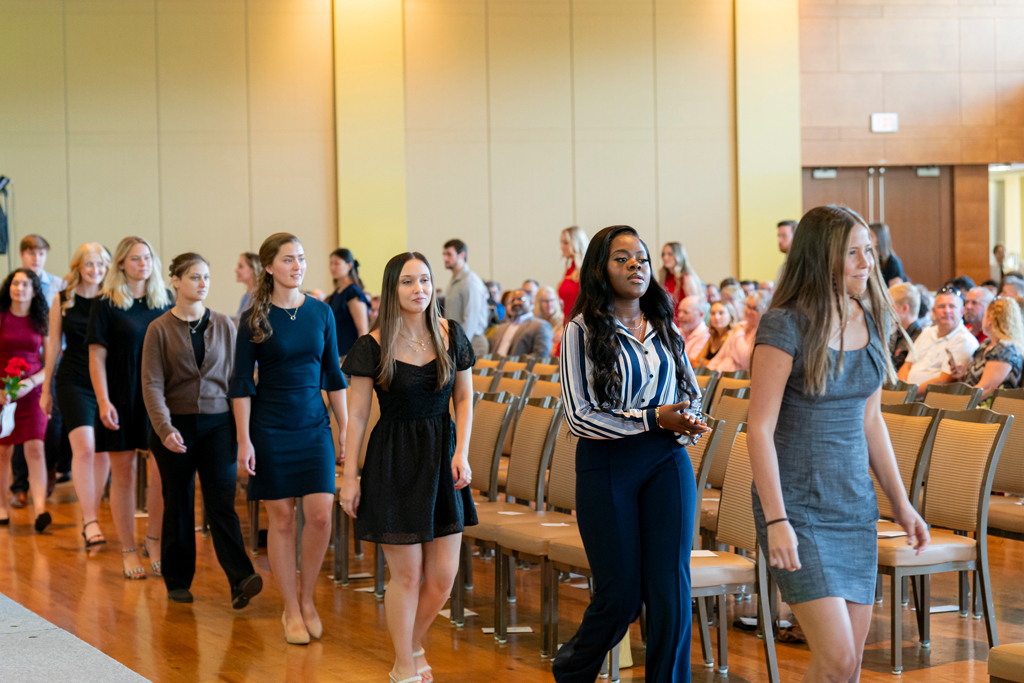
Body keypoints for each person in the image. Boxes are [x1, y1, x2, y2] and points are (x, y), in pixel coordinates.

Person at [748, 205, 929, 683]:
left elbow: (872, 421)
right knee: (836, 661)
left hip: (854, 508)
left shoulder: (874, 318)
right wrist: (777, 519)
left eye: (868, 250)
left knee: (846, 669)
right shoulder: (786, 325)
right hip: (798, 509)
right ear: (820, 257)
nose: (866, 262)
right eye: (852, 253)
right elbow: (759, 428)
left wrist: (902, 504)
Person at [556, 224, 708, 683]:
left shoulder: (665, 325)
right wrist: (651, 418)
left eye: (640, 258)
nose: (635, 265)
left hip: (666, 459)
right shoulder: (579, 332)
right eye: (621, 258)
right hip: (608, 464)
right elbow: (579, 416)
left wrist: (687, 421)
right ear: (600, 268)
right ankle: (573, 670)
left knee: (670, 590)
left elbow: (691, 392)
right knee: (620, 594)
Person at [340, 251, 476, 683]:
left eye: (424, 281)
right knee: (407, 573)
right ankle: (403, 663)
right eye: (408, 282)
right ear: (391, 290)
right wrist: (349, 477)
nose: (419, 289)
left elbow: (465, 399)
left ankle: (412, 643)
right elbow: (357, 416)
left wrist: (463, 452)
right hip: (392, 459)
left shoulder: (450, 334)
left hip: (443, 456)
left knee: (442, 578)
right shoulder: (371, 346)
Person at [230, 233, 348, 645]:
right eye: (287, 260)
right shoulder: (254, 318)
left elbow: (333, 375)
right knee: (280, 519)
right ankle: (291, 609)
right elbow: (241, 384)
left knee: (319, 514)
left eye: (300, 258)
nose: (297, 266)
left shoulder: (321, 312)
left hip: (314, 425)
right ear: (268, 266)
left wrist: (345, 427)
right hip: (270, 426)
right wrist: (244, 440)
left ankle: (307, 596)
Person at [142, 253, 263, 607]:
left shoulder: (227, 324)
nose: (202, 283)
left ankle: (241, 580)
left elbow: (237, 381)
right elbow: (151, 384)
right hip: (174, 426)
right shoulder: (159, 329)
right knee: (178, 501)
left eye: (206, 277)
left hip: (217, 425)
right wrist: (164, 428)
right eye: (194, 277)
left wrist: (243, 434)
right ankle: (177, 579)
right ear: (175, 281)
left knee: (221, 502)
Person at [88, 236, 172, 579]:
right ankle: (127, 548)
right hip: (119, 395)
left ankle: (154, 540)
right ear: (121, 263)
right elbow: (96, 356)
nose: (144, 264)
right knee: (123, 475)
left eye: (148, 258)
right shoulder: (105, 304)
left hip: (156, 398)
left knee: (159, 473)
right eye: (136, 259)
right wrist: (103, 399)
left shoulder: (164, 301)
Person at [40, 243, 111, 547]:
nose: (95, 271)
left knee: (103, 451)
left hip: (107, 382)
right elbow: (54, 346)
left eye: (101, 265)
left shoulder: (113, 300)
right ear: (79, 267)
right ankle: (91, 518)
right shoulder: (63, 299)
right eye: (90, 265)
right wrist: (46, 389)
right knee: (83, 447)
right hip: (73, 380)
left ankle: (90, 512)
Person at [10, 234, 67, 509]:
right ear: (23, 255)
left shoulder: (58, 285)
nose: (36, 258)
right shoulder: (13, 284)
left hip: (51, 363)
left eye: (41, 253)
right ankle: (20, 485)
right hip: (16, 367)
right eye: (31, 253)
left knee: (51, 422)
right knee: (15, 429)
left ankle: (48, 472)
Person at [0, 269, 52, 532]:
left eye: (25, 284)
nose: (19, 288)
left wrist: (32, 383)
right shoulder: (1, 317)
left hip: (32, 391)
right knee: (3, 451)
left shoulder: (41, 319)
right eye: (15, 283)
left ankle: (40, 509)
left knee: (35, 447)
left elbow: (52, 360)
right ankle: (1, 508)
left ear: (34, 290)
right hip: (2, 392)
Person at [898, 287, 979, 399]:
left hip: (930, 403)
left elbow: (944, 380)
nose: (946, 311)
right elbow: (907, 366)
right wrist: (899, 391)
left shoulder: (965, 340)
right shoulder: (926, 333)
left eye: (952, 306)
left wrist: (907, 394)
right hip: (907, 397)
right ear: (934, 311)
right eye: (941, 306)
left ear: (961, 312)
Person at [957, 297, 1024, 404]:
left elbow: (985, 390)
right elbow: (970, 381)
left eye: (984, 315)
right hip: (972, 404)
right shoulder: (986, 344)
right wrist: (960, 375)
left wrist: (955, 402)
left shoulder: (1005, 350)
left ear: (990, 319)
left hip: (991, 411)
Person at [441, 239, 490, 358]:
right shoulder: (454, 281)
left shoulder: (470, 280)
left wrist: (460, 345)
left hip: (471, 341)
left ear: (462, 255)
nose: (445, 258)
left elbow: (471, 317)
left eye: (449, 254)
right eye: (444, 254)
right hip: (458, 341)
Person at [708, 290, 771, 372]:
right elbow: (721, 355)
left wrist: (738, 333)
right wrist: (708, 372)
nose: (748, 312)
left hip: (738, 379)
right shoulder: (741, 326)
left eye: (754, 309)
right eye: (748, 306)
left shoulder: (762, 333)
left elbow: (746, 361)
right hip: (721, 375)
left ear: (764, 311)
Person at [327, 248, 371, 360]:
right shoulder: (336, 293)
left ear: (349, 265)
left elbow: (362, 329)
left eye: (336, 263)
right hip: (337, 353)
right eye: (331, 263)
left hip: (350, 356)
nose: (332, 267)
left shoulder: (352, 292)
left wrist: (360, 359)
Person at [489, 289, 553, 358]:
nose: (515, 302)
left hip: (518, 367)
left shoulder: (540, 326)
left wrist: (516, 364)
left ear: (531, 302)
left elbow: (541, 355)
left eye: (520, 299)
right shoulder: (501, 328)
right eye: (512, 300)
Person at [888, 283, 923, 373]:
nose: (886, 311)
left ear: (904, 308)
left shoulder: (920, 338)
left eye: (890, 307)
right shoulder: (895, 334)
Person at [693, 300, 738, 367]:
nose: (716, 317)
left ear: (731, 317)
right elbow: (695, 363)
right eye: (713, 313)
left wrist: (703, 362)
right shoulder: (713, 337)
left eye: (721, 313)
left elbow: (724, 366)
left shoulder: (733, 336)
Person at [558, 226, 588, 317]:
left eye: (566, 243)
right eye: (561, 242)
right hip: (568, 321)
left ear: (577, 243)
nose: (562, 247)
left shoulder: (586, 270)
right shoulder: (570, 270)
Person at [676, 295, 709, 364]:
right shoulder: (678, 331)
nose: (680, 316)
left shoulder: (706, 335)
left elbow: (691, 363)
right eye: (679, 311)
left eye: (686, 312)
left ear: (701, 314)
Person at [535, 286, 564, 356]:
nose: (549, 304)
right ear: (538, 303)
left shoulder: (563, 322)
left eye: (552, 300)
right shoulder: (534, 323)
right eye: (546, 301)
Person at [235, 252, 261, 317]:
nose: (236, 270)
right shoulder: (245, 297)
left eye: (240, 266)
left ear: (253, 269)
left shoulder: (260, 298)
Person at [775, 219, 796, 284]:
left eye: (784, 236)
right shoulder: (783, 267)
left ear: (796, 237)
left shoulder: (800, 266)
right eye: (779, 236)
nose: (779, 240)